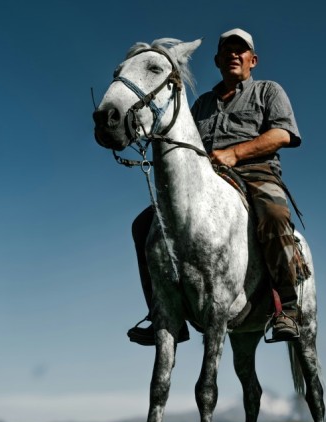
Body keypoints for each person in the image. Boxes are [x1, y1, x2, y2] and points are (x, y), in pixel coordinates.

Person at [127, 28, 305, 345]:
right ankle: (162, 316)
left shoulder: (268, 92)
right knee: (143, 225)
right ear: (217, 60)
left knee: (274, 214)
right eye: (228, 51)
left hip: (255, 173)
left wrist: (235, 153)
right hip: (207, 182)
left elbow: (283, 135)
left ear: (253, 60)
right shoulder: (203, 104)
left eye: (241, 50)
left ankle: (287, 309)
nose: (234, 55)